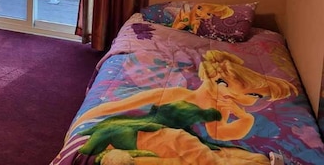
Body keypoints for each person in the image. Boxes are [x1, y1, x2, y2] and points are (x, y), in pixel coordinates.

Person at [65, 50, 296, 164]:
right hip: (147, 132)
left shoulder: (223, 108)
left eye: (254, 95)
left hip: (177, 139)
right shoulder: (178, 94)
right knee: (191, 147)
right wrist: (87, 116)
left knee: (227, 152)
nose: (249, 99)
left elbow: (220, 133)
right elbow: (127, 103)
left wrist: (244, 119)